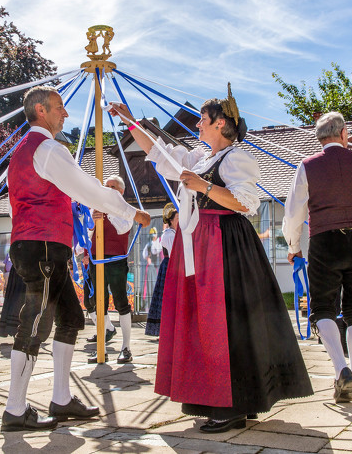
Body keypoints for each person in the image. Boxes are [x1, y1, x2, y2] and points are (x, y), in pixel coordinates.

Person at [109, 85, 312, 433]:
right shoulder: (202, 159)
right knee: (212, 324)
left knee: (226, 323)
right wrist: (131, 122)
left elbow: (247, 204)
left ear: (220, 124)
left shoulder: (236, 156)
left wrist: (203, 187)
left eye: (203, 120)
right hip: (204, 244)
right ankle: (234, 401)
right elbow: (162, 154)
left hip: (227, 245)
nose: (198, 126)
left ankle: (232, 404)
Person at [2, 85, 150, 431]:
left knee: (70, 317)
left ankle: (62, 399)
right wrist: (130, 211)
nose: (65, 114)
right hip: (43, 246)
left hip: (38, 243)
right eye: (58, 107)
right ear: (40, 110)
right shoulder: (48, 148)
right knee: (35, 324)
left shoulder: (23, 150)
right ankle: (14, 408)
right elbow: (86, 188)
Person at [283, 111, 352, 404]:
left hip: (325, 239)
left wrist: (293, 245)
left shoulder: (307, 166)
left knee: (322, 308)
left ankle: (341, 369)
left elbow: (294, 212)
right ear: (344, 134)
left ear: (320, 138)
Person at [83, 175, 135, 364]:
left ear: (121, 191)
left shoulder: (126, 209)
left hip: (116, 259)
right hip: (97, 261)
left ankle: (126, 347)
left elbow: (124, 227)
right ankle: (101, 348)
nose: (109, 189)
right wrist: (92, 220)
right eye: (107, 187)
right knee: (99, 303)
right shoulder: (97, 207)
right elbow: (88, 233)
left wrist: (107, 211)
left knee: (121, 302)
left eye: (112, 187)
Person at [145, 203, 177, 337]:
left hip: (174, 265)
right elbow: (174, 253)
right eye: (178, 218)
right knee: (167, 297)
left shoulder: (173, 233)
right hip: (171, 266)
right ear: (171, 220)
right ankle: (167, 328)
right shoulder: (169, 235)